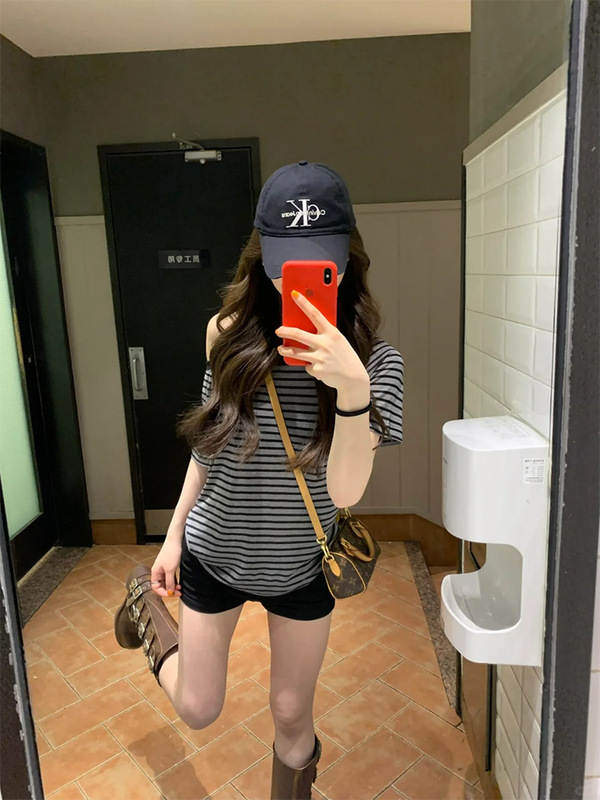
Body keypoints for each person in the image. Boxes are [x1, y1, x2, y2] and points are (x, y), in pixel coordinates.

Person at [114, 161, 404, 799]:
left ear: (347, 259)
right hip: (216, 553)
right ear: (261, 256)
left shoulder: (377, 364)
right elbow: (208, 448)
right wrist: (173, 538)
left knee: (292, 713)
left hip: (302, 565)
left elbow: (346, 492)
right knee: (198, 708)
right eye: (284, 263)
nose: (297, 278)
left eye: (319, 263)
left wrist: (352, 391)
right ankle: (143, 602)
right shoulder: (225, 336)